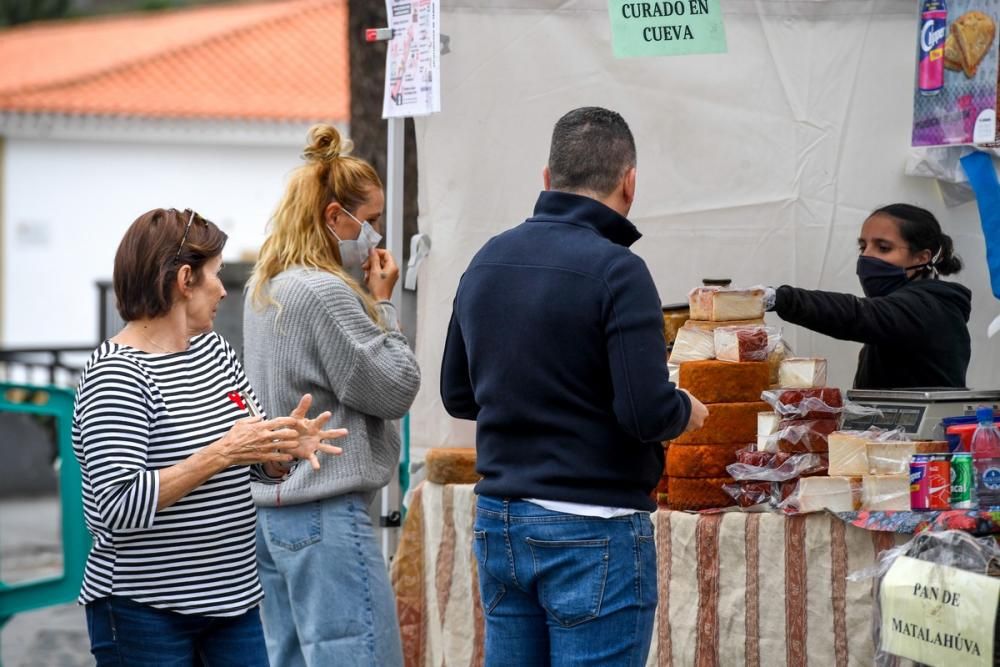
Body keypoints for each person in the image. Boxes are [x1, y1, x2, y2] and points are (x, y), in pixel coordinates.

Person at [440, 106, 708, 666]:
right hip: (592, 526)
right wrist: (686, 409)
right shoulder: (617, 269)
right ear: (629, 181)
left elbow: (458, 396)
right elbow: (645, 412)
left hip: (501, 520)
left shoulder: (487, 258)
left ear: (547, 177)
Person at [73, 208, 346, 666]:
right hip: (145, 613)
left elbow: (250, 449)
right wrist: (222, 453)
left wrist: (280, 452)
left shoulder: (214, 351)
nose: (223, 289)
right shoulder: (116, 374)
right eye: (215, 275)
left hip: (233, 604)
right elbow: (117, 506)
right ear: (184, 279)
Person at [244, 124, 421, 667]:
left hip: (273, 512)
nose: (373, 236)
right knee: (360, 655)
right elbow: (395, 385)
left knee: (293, 656)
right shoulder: (324, 292)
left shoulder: (266, 286)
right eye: (368, 222)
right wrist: (382, 304)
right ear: (333, 217)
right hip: (324, 509)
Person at [766, 203, 971, 389]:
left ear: (921, 257)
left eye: (883, 248)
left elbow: (856, 314)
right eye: (863, 247)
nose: (866, 256)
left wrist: (779, 298)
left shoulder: (931, 306)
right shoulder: (903, 307)